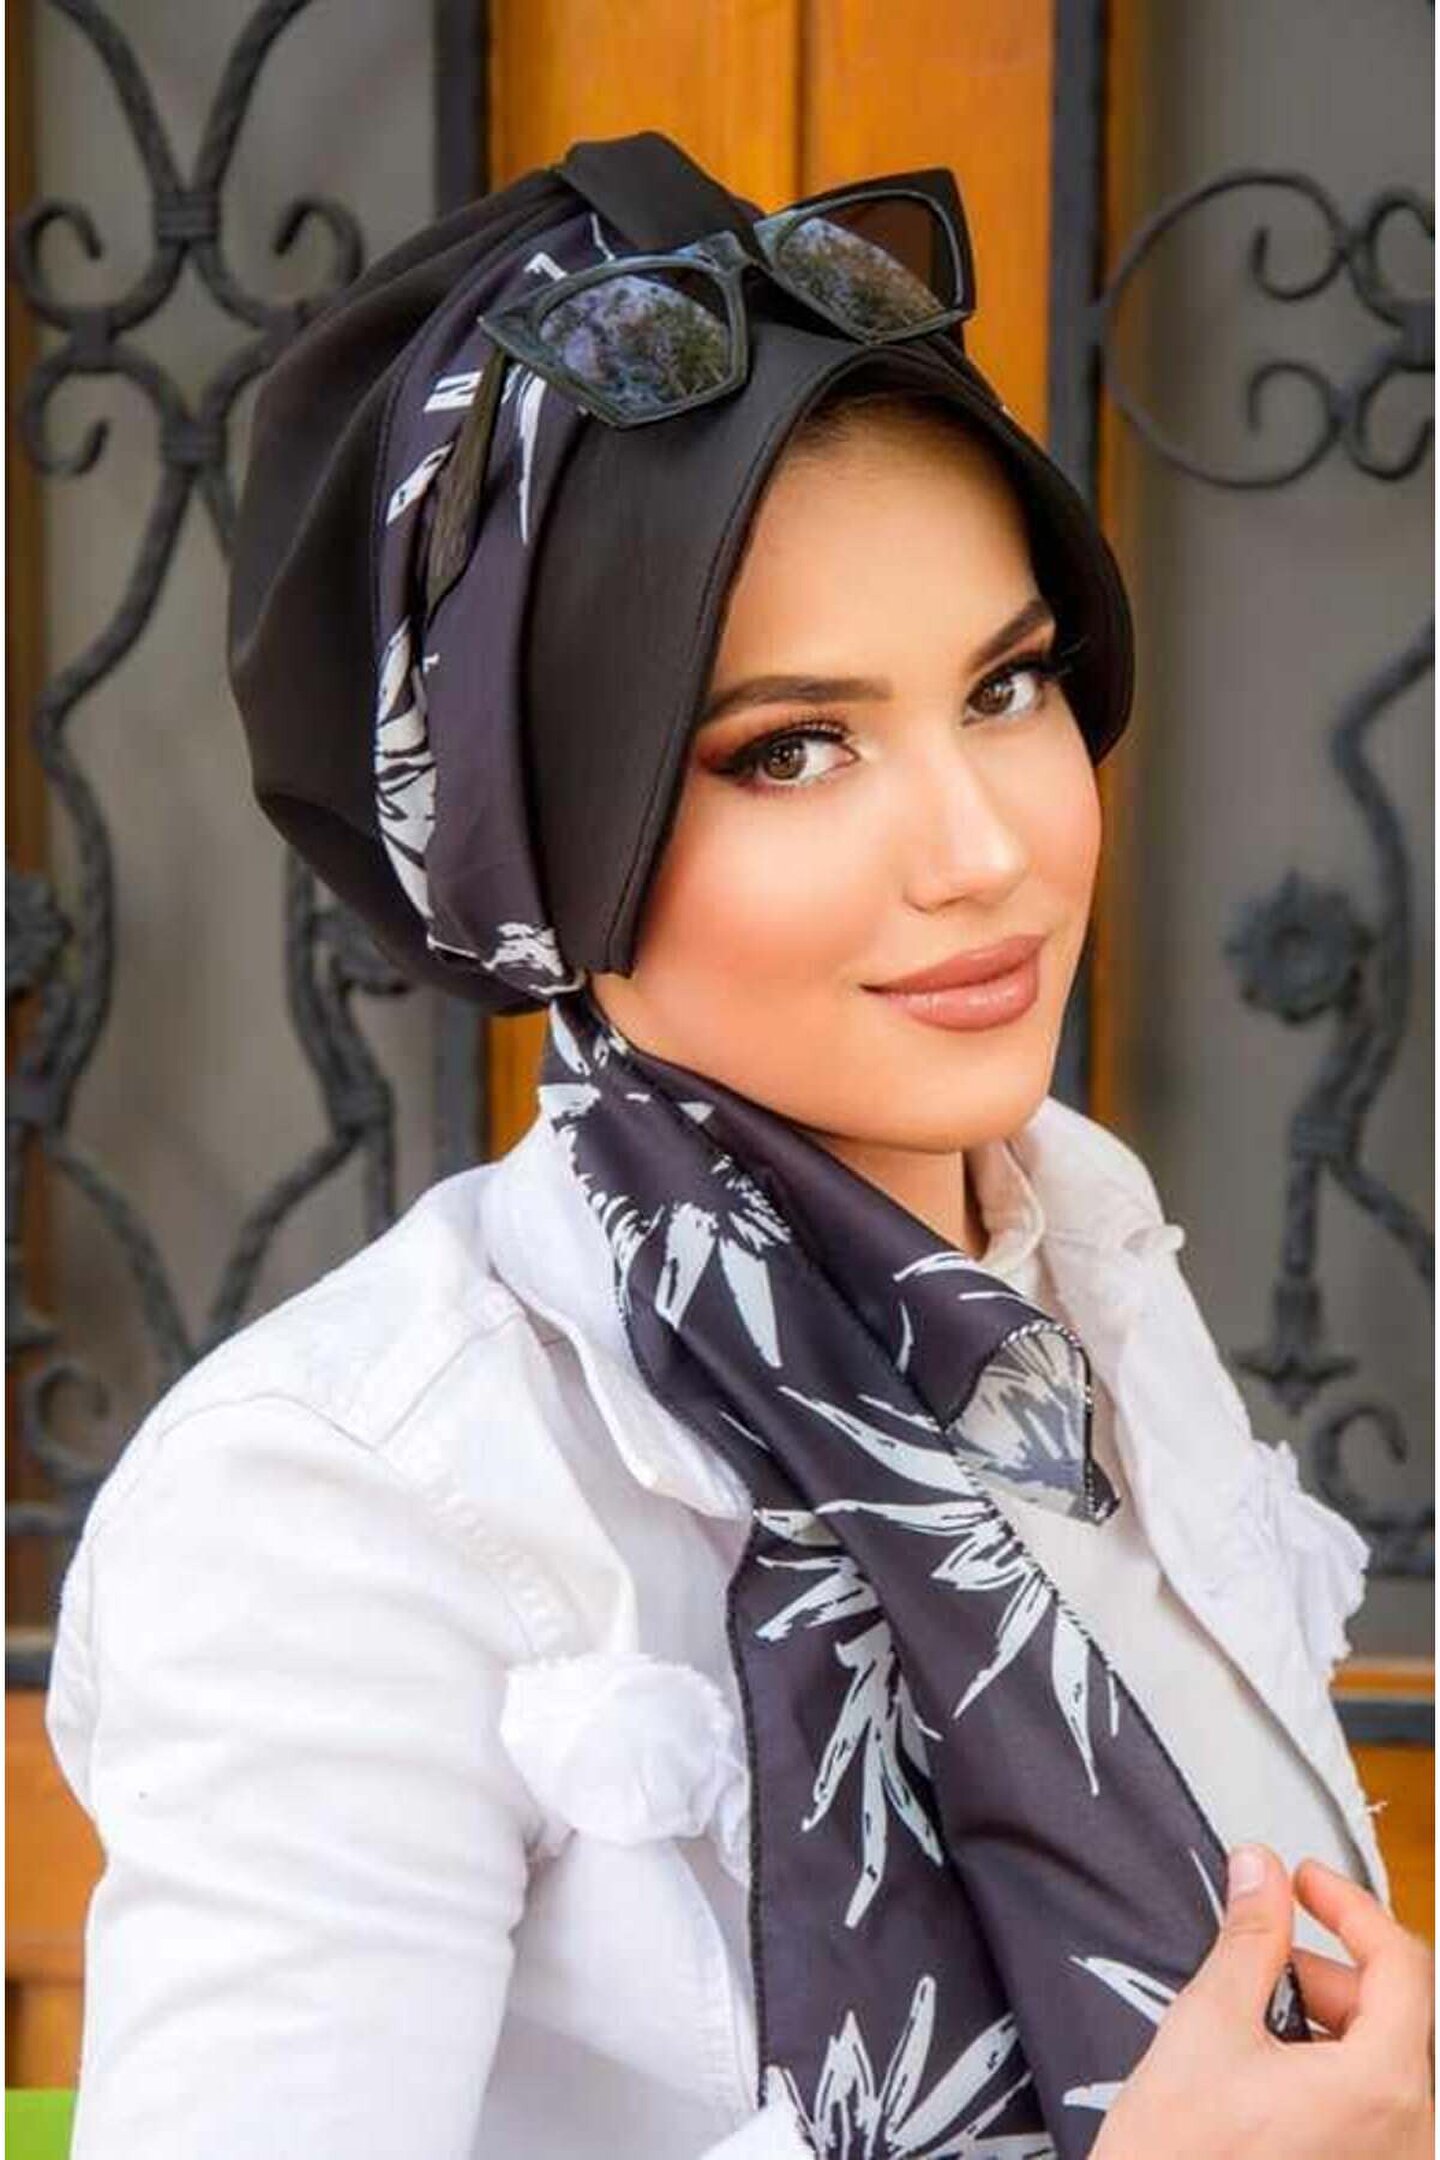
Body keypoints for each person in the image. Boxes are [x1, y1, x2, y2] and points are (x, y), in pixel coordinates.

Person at [45, 131, 1431, 2159]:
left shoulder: (1080, 1271)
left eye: (1008, 686)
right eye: (791, 748)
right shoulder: (348, 1504)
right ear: (547, 834)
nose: (983, 849)